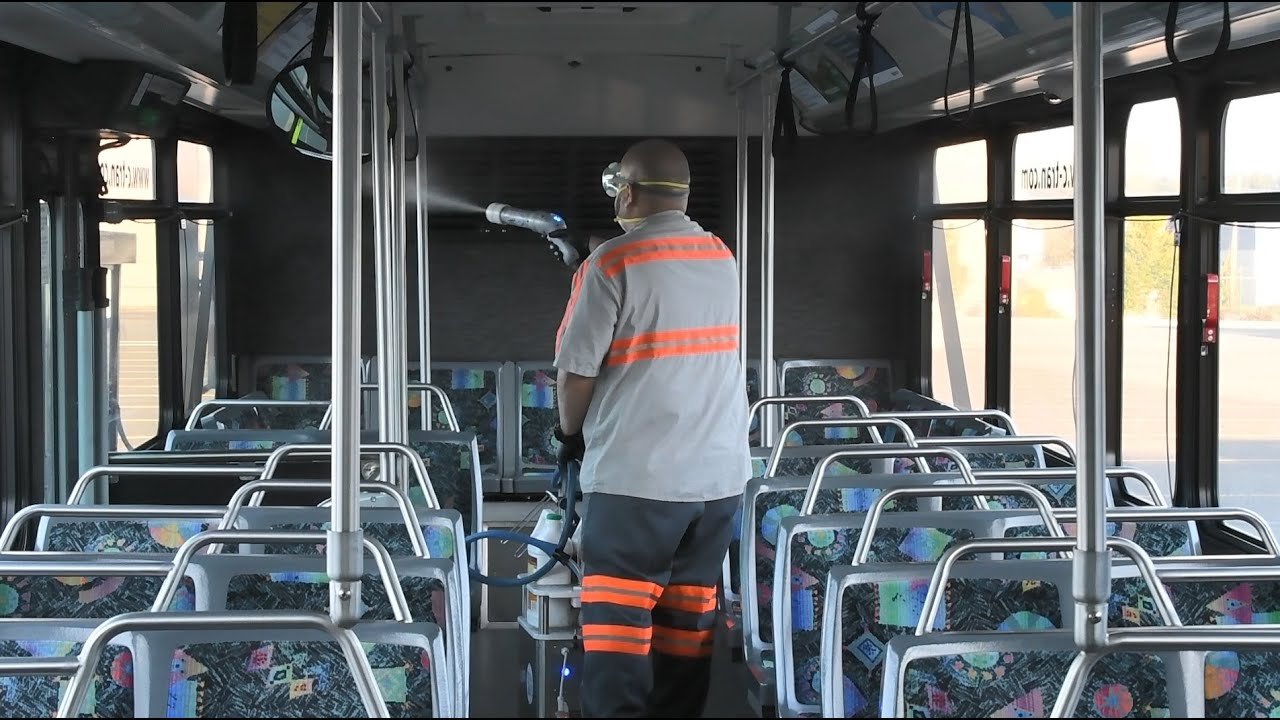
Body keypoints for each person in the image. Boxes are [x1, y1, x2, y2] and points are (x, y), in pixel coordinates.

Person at [552, 138, 751, 718]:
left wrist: (569, 435)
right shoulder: (721, 256)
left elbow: (575, 374)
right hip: (716, 485)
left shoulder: (610, 265)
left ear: (628, 192)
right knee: (686, 632)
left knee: (619, 635)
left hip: (637, 484)